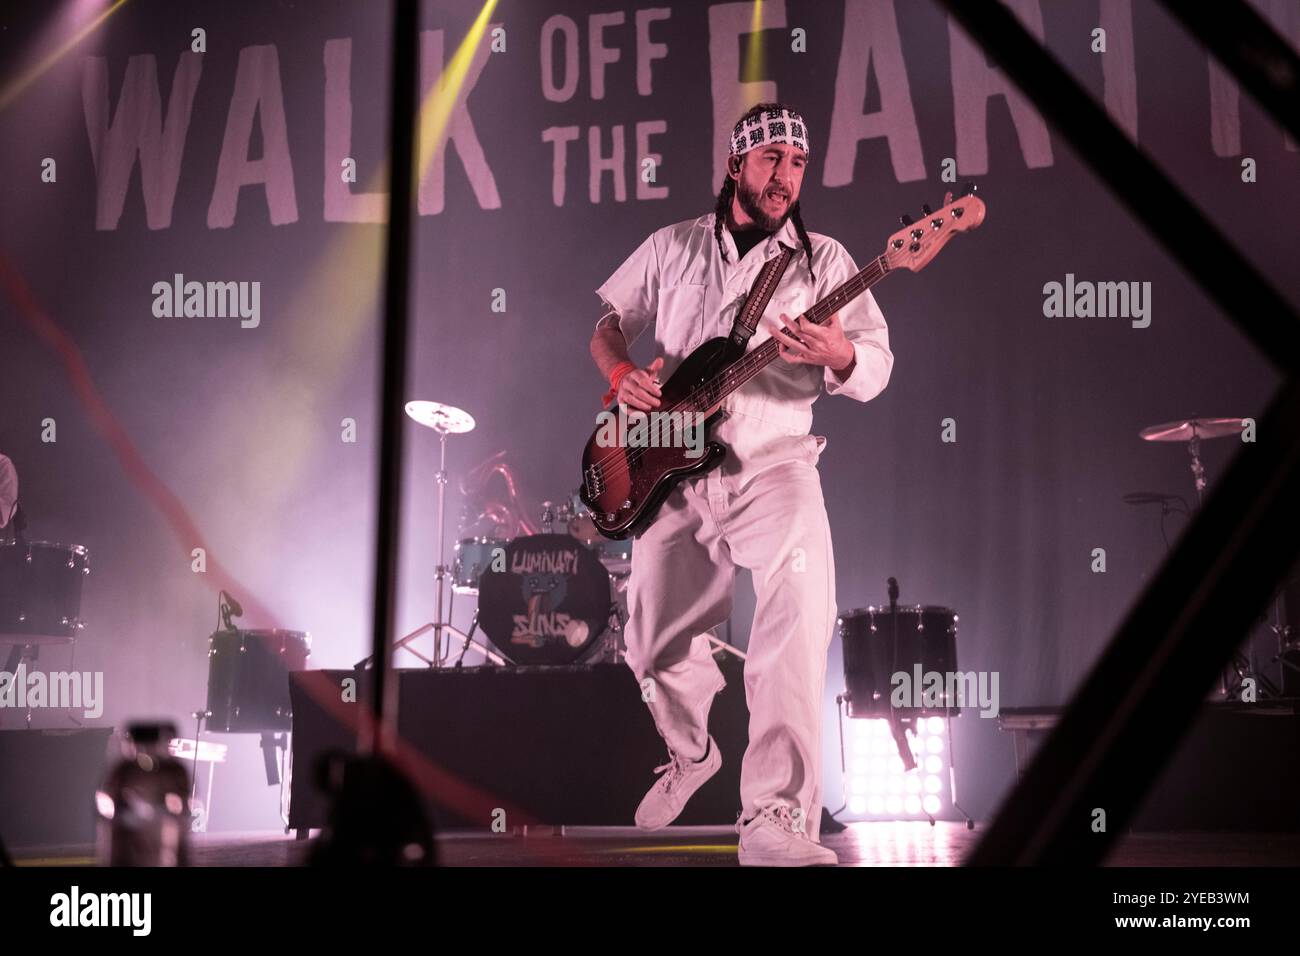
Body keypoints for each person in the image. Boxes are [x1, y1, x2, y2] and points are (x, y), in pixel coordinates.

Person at [589, 103, 893, 865]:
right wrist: (622, 372)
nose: (786, 176)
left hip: (777, 463)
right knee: (651, 645)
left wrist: (839, 355)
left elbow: (878, 364)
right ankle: (691, 756)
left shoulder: (827, 261)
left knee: (797, 619)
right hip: (673, 467)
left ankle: (777, 821)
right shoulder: (672, 246)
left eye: (797, 162)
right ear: (735, 165)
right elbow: (605, 323)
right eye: (771, 160)